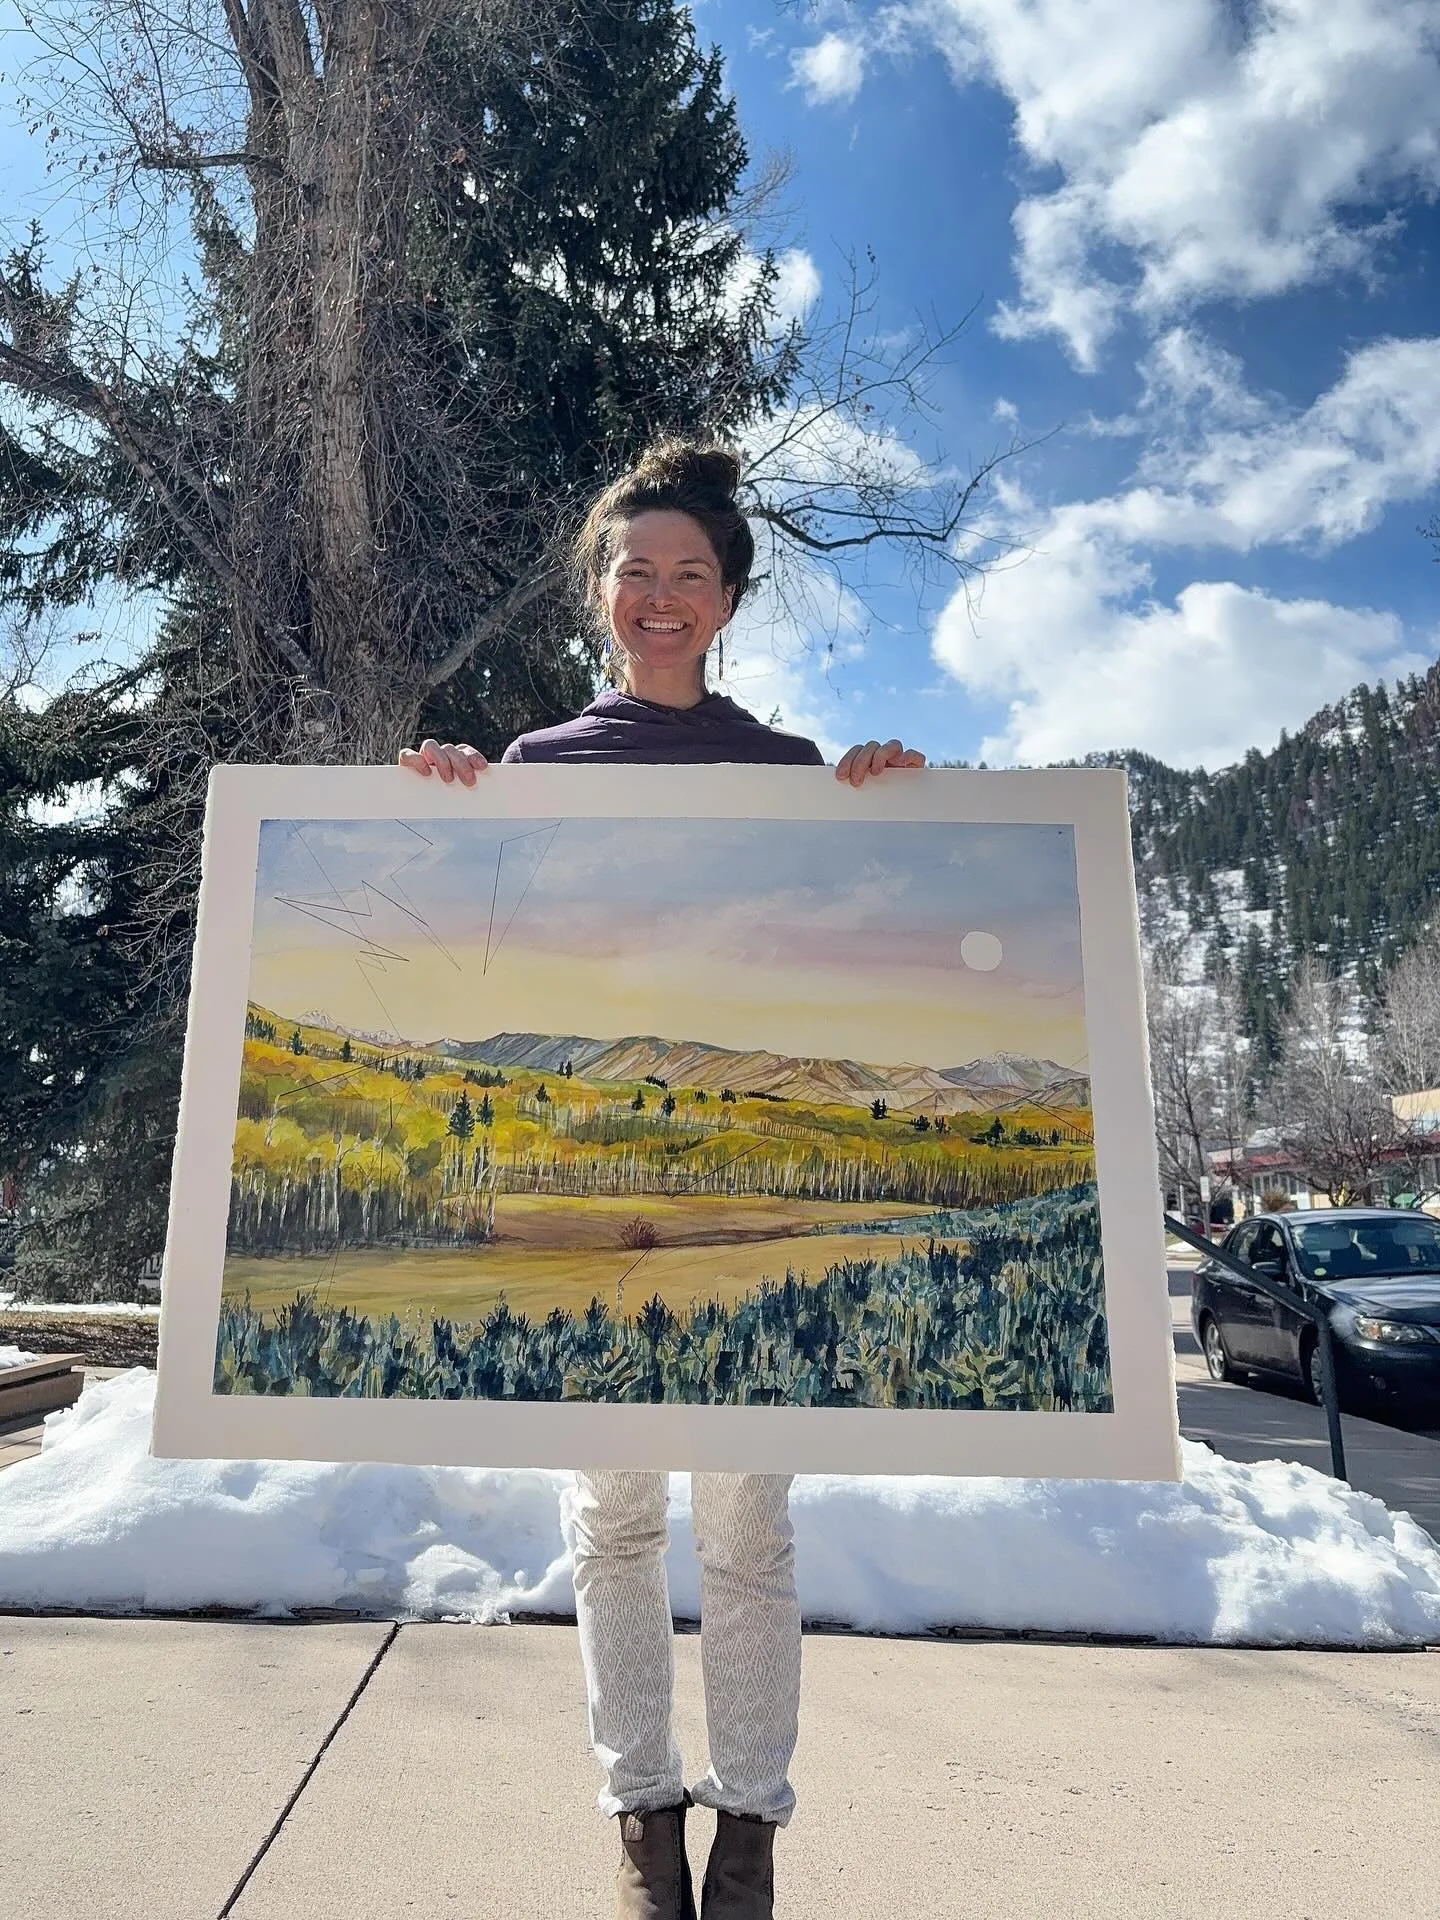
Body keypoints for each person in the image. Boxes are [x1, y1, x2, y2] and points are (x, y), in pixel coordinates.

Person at [401, 440, 924, 1919]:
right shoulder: (534, 775)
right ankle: (644, 1819)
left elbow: (836, 966)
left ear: (732, 600)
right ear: (599, 592)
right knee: (614, 1523)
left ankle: (749, 1825)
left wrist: (885, 802)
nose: (662, 594)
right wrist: (440, 804)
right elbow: (469, 953)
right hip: (583, 1195)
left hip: (732, 1182)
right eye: (637, 570)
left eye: (692, 572)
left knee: (750, 1532)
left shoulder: (782, 776)